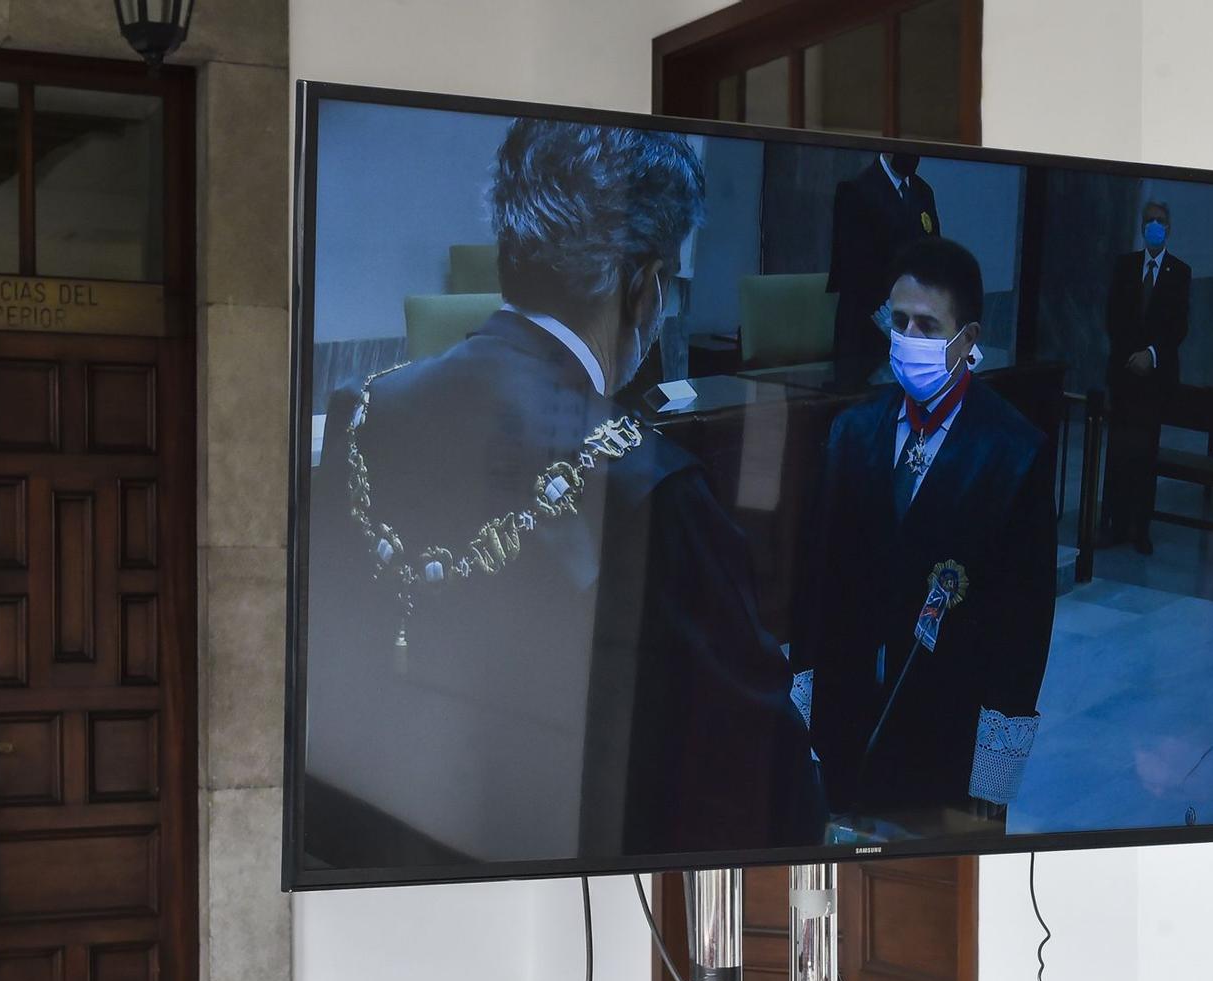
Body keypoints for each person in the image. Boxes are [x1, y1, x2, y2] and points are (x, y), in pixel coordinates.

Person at [302, 119, 826, 871]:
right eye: (668, 279)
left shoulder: (363, 409)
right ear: (642, 285)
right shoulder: (653, 483)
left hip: (365, 861)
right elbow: (752, 761)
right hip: (559, 886)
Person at [793, 237, 1055, 831]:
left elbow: (1024, 629)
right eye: (900, 321)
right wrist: (802, 718)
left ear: (966, 340)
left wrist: (990, 784)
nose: (909, 339)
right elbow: (813, 586)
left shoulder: (1013, 454)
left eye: (928, 326)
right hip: (849, 717)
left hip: (946, 730)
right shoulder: (851, 433)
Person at [1101, 200, 1191, 554]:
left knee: (1145, 453)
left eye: (1161, 222)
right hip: (1124, 374)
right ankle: (1114, 523)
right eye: (1150, 221)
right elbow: (1113, 317)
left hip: (1155, 378)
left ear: (1169, 228)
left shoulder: (1179, 272)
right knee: (1118, 451)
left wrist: (1151, 355)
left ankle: (1140, 527)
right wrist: (1129, 356)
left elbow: (1178, 326)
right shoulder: (1126, 266)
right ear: (1142, 227)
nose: (1155, 226)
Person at [827, 152, 940, 364]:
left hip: (913, 322)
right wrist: (890, 317)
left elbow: (934, 251)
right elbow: (854, 268)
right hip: (866, 325)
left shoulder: (923, 191)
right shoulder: (856, 190)